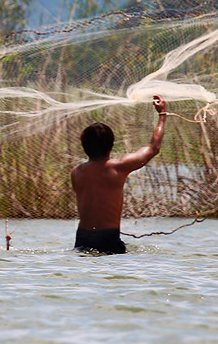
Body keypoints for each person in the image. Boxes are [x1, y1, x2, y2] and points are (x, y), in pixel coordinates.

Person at [71, 96, 168, 254]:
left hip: (82, 238)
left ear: (84, 146)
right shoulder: (117, 167)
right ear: (110, 146)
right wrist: (162, 114)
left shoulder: (76, 172)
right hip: (108, 238)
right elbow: (153, 148)